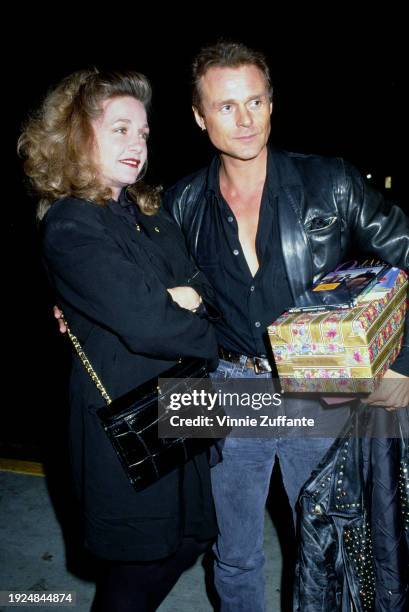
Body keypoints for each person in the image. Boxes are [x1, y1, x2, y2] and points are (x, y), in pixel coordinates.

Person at [162, 41, 409, 611]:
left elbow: (404, 254)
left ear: (273, 103)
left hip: (319, 388)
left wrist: (396, 360)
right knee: (235, 552)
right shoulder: (181, 204)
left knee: (331, 548)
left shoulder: (332, 182)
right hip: (229, 389)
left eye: (256, 101)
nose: (245, 119)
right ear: (199, 116)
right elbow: (140, 285)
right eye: (226, 106)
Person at [18, 69, 221, 612]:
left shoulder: (149, 214)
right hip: (127, 417)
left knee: (195, 536)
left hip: (186, 403)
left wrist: (183, 299)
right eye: (120, 129)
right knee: (142, 559)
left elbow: (202, 288)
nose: (137, 144)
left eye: (144, 133)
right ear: (76, 136)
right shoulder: (71, 225)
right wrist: (179, 306)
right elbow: (148, 323)